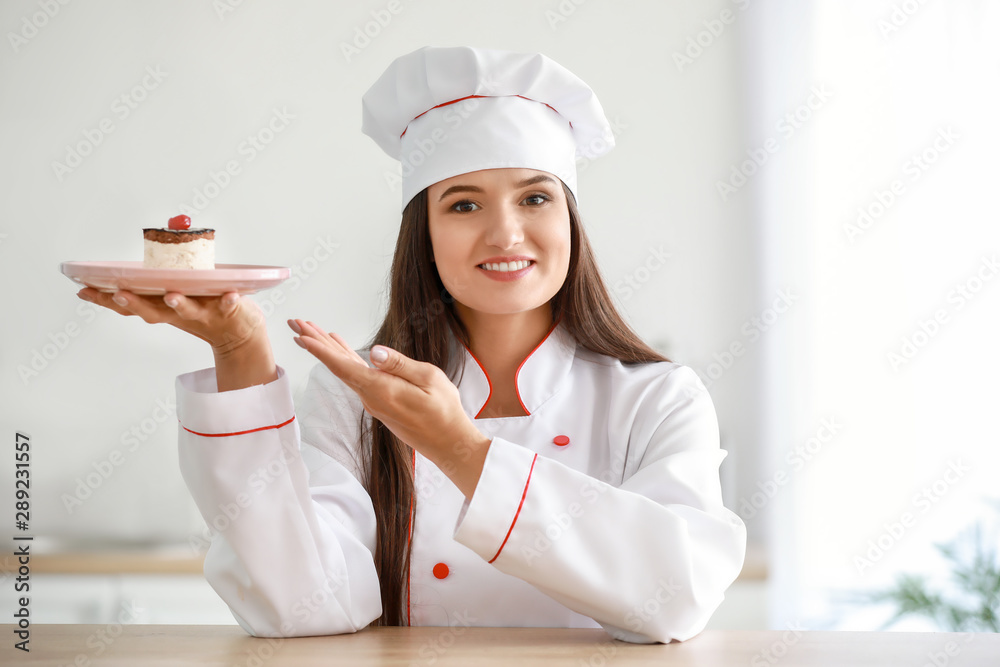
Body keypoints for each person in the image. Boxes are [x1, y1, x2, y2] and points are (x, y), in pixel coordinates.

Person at [77, 45, 746, 644]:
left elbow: (676, 597)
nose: (506, 234)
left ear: (570, 216)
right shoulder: (355, 392)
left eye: (536, 198)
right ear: (421, 232)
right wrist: (240, 351)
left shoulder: (658, 396)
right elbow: (298, 605)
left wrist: (462, 450)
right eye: (463, 203)